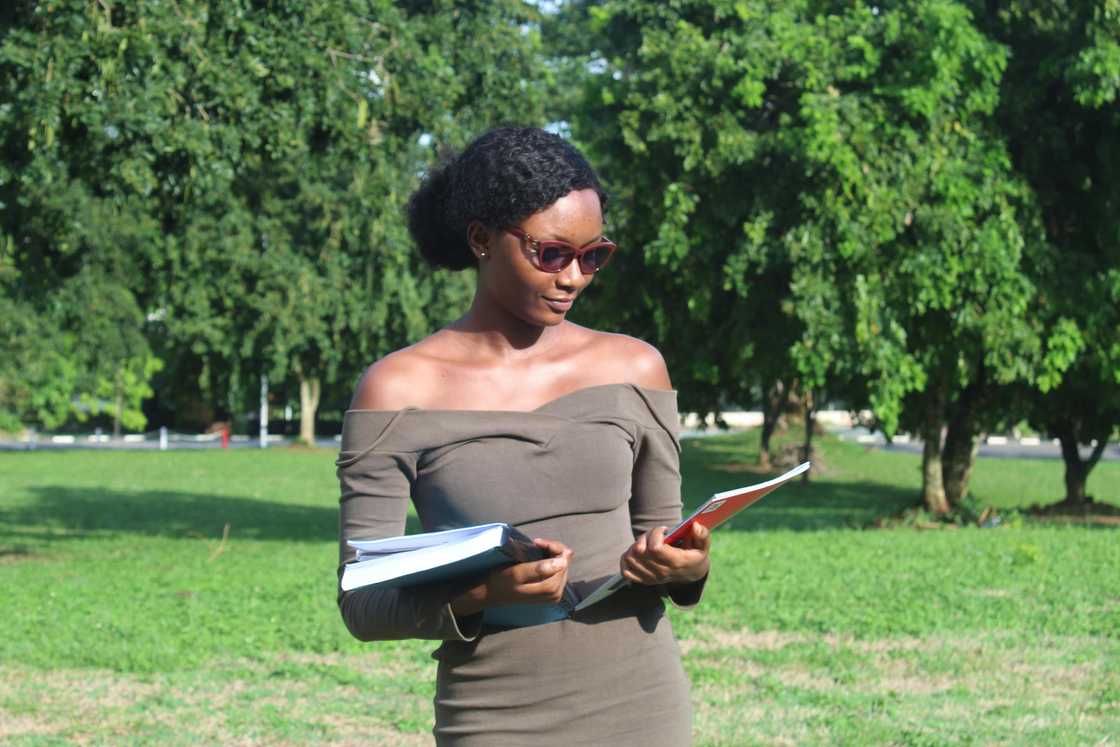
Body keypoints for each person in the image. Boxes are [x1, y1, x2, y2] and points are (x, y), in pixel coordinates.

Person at [336, 126, 711, 746]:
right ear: (481, 239)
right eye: (552, 253)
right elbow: (362, 602)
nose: (574, 278)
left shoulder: (637, 369)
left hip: (641, 706)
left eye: (593, 256)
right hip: (495, 717)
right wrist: (484, 593)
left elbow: (667, 547)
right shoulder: (396, 389)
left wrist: (686, 565)